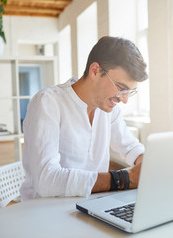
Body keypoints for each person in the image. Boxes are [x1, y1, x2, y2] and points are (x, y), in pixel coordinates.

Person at [20, 36, 148, 199]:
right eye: (121, 88)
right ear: (95, 71)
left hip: (91, 204)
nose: (124, 99)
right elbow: (47, 181)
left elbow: (130, 147)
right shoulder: (48, 102)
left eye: (130, 91)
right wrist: (122, 179)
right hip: (45, 212)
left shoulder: (108, 108)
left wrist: (146, 163)